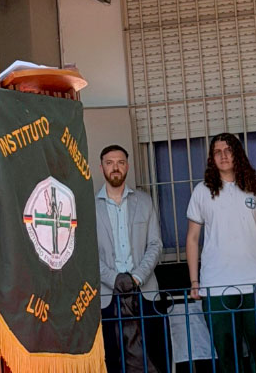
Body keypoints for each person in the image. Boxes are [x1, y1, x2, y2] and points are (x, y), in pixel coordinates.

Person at [186, 133, 256, 373]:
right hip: (216, 285)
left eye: (228, 150)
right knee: (228, 357)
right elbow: (192, 238)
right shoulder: (202, 191)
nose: (223, 156)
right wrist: (194, 282)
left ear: (238, 154)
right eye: (217, 152)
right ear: (211, 158)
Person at [96, 144, 166, 373]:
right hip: (108, 294)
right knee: (114, 359)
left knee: (153, 357)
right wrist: (115, 278)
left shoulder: (144, 201)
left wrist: (136, 277)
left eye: (120, 162)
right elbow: (88, 255)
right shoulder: (88, 207)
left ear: (128, 166)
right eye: (109, 163)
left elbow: (155, 244)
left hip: (144, 290)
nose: (115, 168)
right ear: (101, 167)